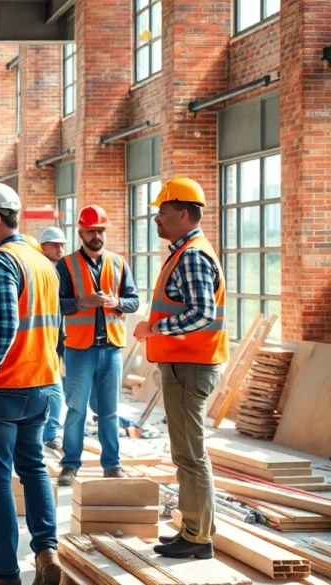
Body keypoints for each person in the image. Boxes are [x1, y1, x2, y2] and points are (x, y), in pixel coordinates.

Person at [0, 182, 62, 585]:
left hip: (0, 389)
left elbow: (3, 327)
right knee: (35, 468)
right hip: (40, 385)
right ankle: (47, 551)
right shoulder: (42, 263)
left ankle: (4, 573)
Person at [134, 176, 227, 560]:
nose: (157, 219)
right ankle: (193, 528)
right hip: (183, 365)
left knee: (190, 454)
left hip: (190, 367)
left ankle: (199, 537)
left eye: (164, 212)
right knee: (186, 453)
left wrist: (155, 327)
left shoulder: (191, 254)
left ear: (184, 213)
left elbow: (202, 314)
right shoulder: (183, 251)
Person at [56, 206, 139, 487]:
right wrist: (82, 302)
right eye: (91, 231)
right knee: (76, 409)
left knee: (109, 411)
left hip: (112, 348)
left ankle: (112, 464)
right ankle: (69, 465)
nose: (96, 235)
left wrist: (118, 303)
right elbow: (56, 304)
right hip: (80, 349)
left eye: (101, 230)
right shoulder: (65, 266)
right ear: (80, 232)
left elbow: (134, 300)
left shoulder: (119, 263)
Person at [38, 226, 69, 450]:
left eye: (62, 245)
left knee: (56, 388)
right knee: (52, 389)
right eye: (55, 245)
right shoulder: (41, 269)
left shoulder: (60, 270)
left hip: (56, 339)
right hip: (40, 339)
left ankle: (49, 433)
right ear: (43, 247)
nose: (60, 249)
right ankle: (46, 433)